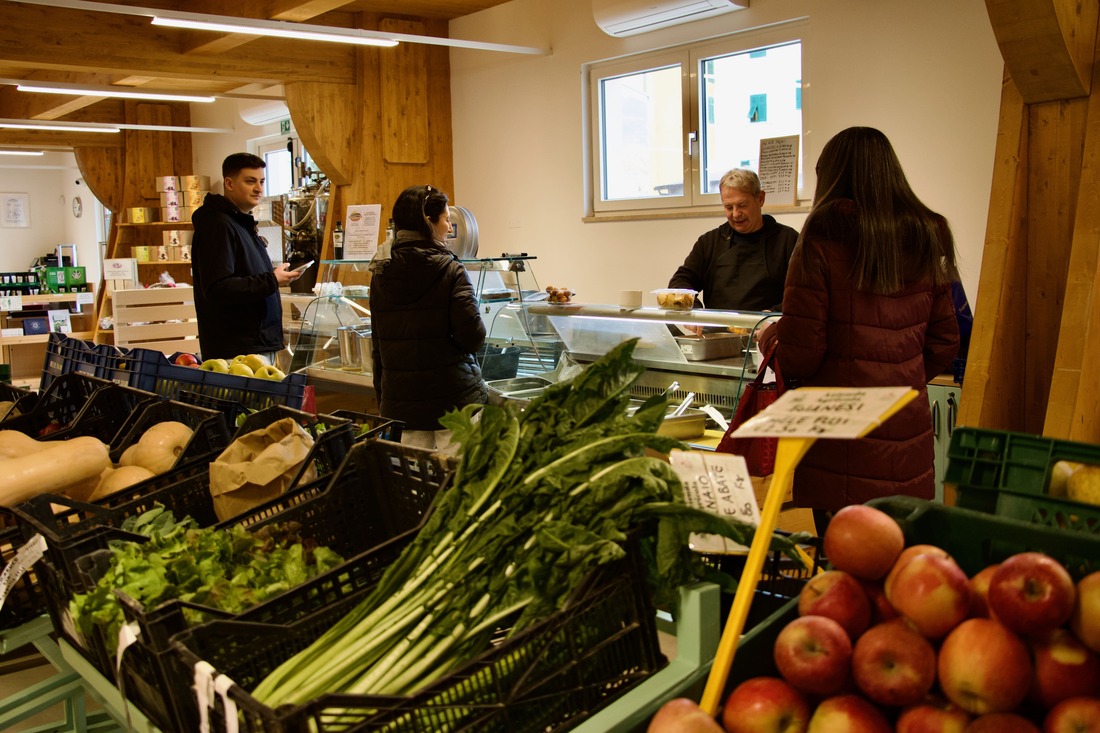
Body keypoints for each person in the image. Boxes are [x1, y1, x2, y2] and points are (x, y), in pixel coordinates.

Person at [757, 127, 960, 534]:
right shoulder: (929, 232)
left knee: (844, 576)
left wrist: (774, 338)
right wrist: (897, 377)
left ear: (830, 176)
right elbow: (946, 340)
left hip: (839, 441)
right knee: (900, 573)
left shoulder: (821, 236)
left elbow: (802, 353)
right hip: (907, 434)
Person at [368, 184, 488, 452]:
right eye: (446, 219)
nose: (448, 227)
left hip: (402, 407)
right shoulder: (451, 269)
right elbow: (473, 337)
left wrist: (384, 398)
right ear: (428, 222)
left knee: (417, 486)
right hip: (454, 402)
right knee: (461, 486)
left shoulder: (380, 272)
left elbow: (378, 346)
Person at [191, 152, 300, 362]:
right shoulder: (218, 225)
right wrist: (272, 280)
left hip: (253, 345)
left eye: (261, 181)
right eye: (250, 181)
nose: (259, 189)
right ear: (229, 183)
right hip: (236, 351)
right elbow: (217, 288)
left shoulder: (240, 223)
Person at [668, 168, 798, 311]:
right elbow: (680, 282)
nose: (736, 214)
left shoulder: (788, 240)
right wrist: (694, 309)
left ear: (760, 199)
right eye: (729, 207)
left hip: (768, 331)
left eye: (742, 205)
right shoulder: (709, 242)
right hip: (717, 333)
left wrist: (772, 315)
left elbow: (803, 294)